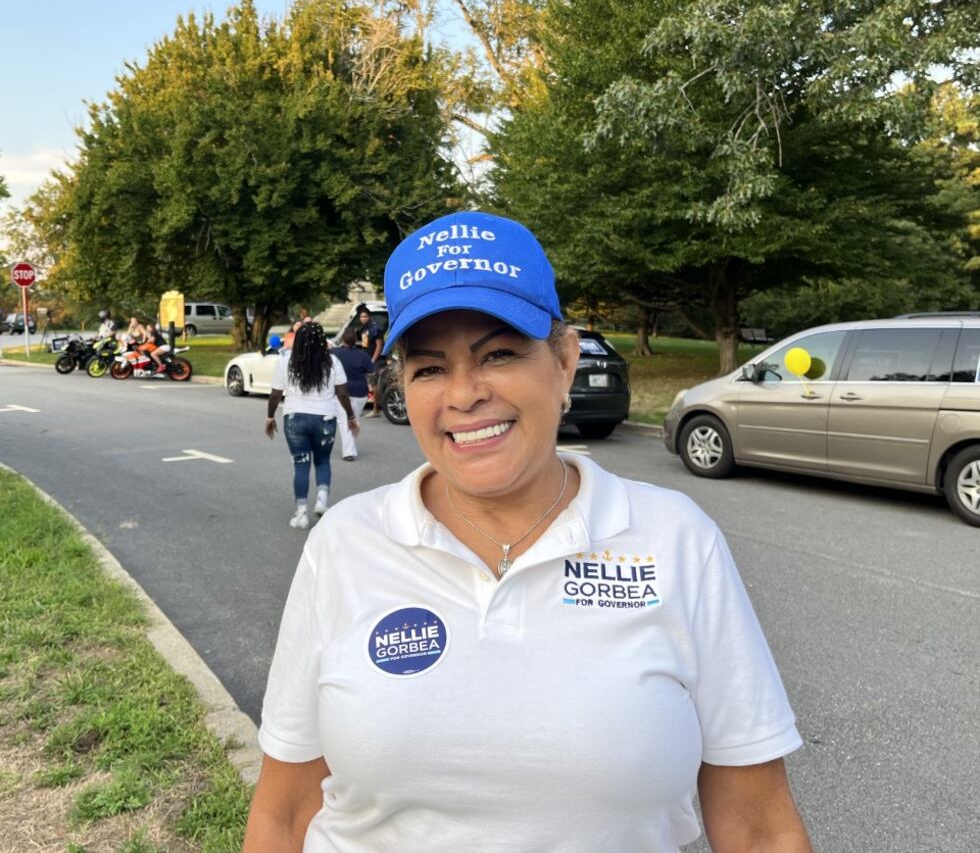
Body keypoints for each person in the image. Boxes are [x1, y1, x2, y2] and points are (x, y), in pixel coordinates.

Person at [244, 212, 812, 853]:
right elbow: (286, 813)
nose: (463, 395)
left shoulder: (676, 540)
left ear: (564, 362)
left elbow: (761, 828)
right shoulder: (345, 543)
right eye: (429, 368)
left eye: (499, 355)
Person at [265, 321, 358, 529]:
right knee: (323, 462)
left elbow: (275, 394)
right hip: (325, 418)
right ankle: (322, 501)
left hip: (295, 418)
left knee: (301, 465)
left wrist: (270, 417)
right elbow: (342, 393)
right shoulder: (332, 362)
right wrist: (351, 417)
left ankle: (301, 514)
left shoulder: (286, 361)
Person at [329, 326, 375, 461]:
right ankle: (352, 441)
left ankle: (349, 452)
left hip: (343, 392)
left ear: (343, 339)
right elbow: (371, 371)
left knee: (344, 421)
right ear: (356, 340)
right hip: (361, 392)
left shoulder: (334, 353)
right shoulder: (363, 355)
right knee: (353, 418)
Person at [354, 304, 385, 416]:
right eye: (361, 317)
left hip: (376, 360)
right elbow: (363, 345)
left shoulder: (375, 329)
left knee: (374, 384)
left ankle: (376, 410)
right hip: (366, 359)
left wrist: (373, 360)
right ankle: (367, 407)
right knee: (369, 384)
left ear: (370, 317)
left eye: (365, 316)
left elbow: (379, 346)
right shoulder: (363, 329)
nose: (363, 318)